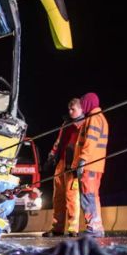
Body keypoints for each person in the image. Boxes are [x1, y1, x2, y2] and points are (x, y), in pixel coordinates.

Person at [42, 98, 83, 237]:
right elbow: (58, 142)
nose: (70, 112)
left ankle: (73, 228)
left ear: (81, 109)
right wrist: (51, 157)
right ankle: (57, 228)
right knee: (57, 197)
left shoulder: (84, 124)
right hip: (61, 163)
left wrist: (80, 164)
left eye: (73, 109)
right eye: (69, 109)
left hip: (73, 165)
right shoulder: (66, 123)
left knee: (72, 197)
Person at [73, 92, 109, 237]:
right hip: (96, 165)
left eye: (83, 103)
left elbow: (90, 141)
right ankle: (96, 226)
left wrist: (82, 160)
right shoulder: (100, 118)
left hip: (89, 164)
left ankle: (93, 227)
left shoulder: (93, 119)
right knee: (93, 196)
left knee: (88, 196)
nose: (82, 106)